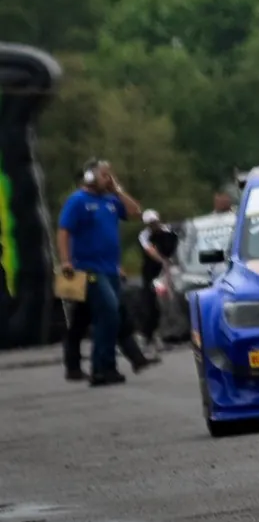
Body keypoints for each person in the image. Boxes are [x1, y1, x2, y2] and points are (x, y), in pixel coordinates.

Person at [57, 160, 150, 385]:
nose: (108, 179)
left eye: (110, 175)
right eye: (103, 175)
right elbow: (64, 231)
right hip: (88, 269)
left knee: (100, 316)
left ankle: (102, 365)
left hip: (110, 270)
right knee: (109, 313)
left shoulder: (110, 201)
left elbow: (135, 212)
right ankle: (101, 367)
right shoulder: (78, 200)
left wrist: (117, 189)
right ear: (90, 176)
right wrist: (66, 261)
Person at [134, 209, 179, 353]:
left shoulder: (169, 231)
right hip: (152, 272)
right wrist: (162, 261)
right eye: (150, 223)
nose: (153, 225)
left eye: (154, 222)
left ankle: (165, 334)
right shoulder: (144, 236)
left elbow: (177, 247)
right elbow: (150, 251)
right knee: (152, 303)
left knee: (169, 303)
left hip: (170, 271)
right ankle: (147, 336)